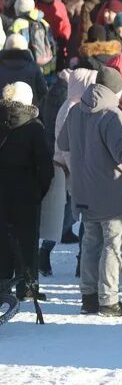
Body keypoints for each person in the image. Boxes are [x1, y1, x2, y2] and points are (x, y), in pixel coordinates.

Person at [56, 67, 122, 316]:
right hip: (112, 193)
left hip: (83, 191)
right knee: (113, 247)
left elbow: (62, 143)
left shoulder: (76, 110)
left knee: (91, 244)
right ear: (116, 89)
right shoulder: (113, 114)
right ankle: (109, 300)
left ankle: (88, 297)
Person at [0, 82, 54, 303]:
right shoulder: (34, 127)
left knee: (2, 240)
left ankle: (3, 284)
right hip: (26, 194)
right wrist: (38, 191)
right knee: (28, 240)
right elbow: (45, 167)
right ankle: (28, 285)